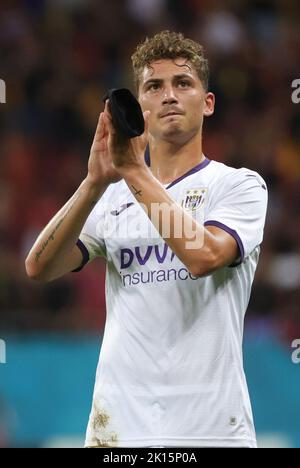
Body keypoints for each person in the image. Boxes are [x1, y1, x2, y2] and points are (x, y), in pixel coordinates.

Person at [25, 31, 268, 448]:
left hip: (210, 431)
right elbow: (39, 267)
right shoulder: (112, 198)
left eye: (183, 83)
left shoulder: (239, 186)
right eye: (154, 86)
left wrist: (133, 171)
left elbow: (202, 255)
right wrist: (93, 182)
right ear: (140, 108)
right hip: (120, 431)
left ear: (207, 103)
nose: (169, 95)